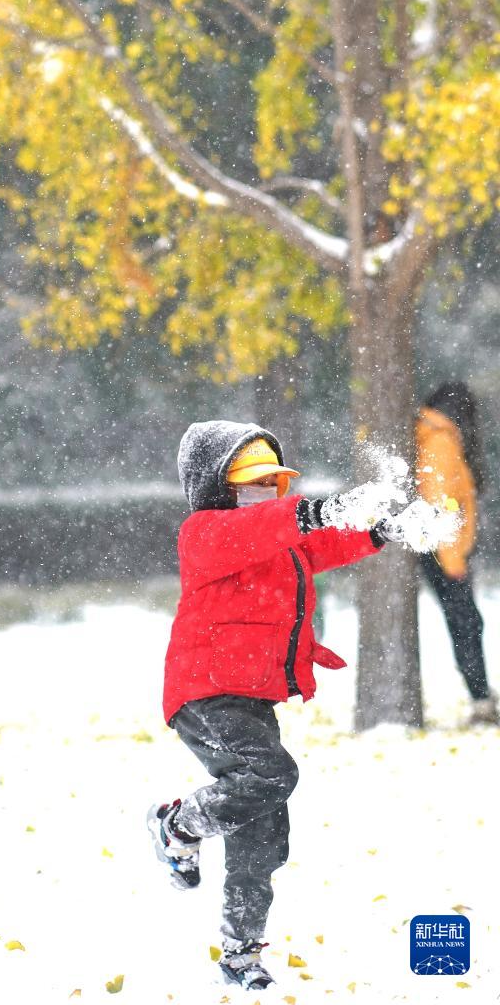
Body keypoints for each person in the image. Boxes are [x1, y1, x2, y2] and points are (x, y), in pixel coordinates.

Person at [147, 420, 422, 991]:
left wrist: (381, 530)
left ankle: (240, 952)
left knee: (264, 829)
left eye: (274, 482)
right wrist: (313, 508)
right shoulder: (205, 534)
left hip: (251, 697)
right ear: (218, 487)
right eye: (252, 483)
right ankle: (178, 825)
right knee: (272, 775)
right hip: (204, 692)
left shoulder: (277, 540)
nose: (267, 494)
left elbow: (320, 544)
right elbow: (269, 527)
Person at [416, 382, 498, 725]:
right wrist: (452, 559)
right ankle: (480, 699)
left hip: (442, 549)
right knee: (466, 623)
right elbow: (442, 505)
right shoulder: (440, 441)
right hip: (444, 552)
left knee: (466, 622)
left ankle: (480, 695)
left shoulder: (434, 433)